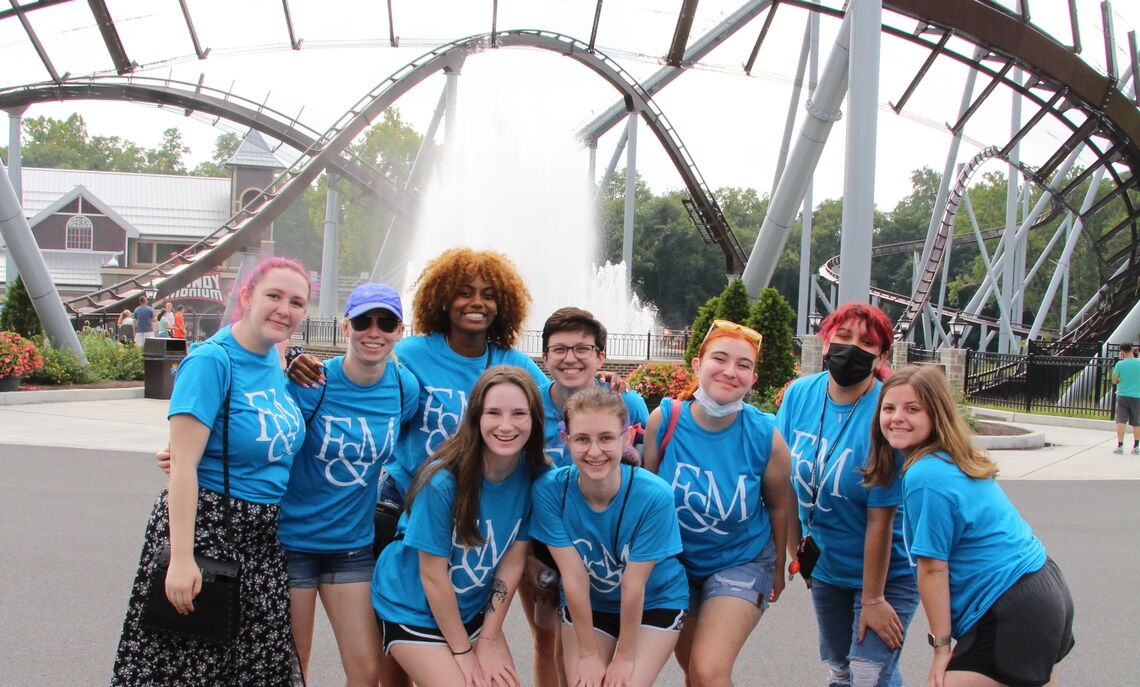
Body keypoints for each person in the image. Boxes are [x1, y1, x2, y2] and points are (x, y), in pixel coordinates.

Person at [111, 257, 311, 686]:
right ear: (245, 297)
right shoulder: (211, 361)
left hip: (263, 543)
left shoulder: (275, 364)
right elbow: (182, 465)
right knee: (189, 669)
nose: (284, 309)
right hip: (210, 533)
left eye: (296, 302)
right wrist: (181, 559)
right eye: (273, 296)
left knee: (253, 670)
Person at [868, 365, 1075, 687]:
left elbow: (933, 568)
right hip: (1043, 588)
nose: (897, 417)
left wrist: (940, 647)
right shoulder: (952, 458)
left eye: (912, 409)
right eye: (889, 408)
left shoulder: (926, 475)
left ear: (936, 414)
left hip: (1009, 606)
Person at [278, 283, 419, 686]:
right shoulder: (313, 382)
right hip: (293, 543)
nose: (374, 331)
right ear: (346, 327)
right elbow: (265, 436)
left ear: (399, 331)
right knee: (293, 664)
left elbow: (413, 435)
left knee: (367, 669)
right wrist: (187, 454)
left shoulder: (402, 387)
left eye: (386, 322)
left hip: (351, 546)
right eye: (363, 321)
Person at [372, 365, 545, 687]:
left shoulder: (531, 475)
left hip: (470, 611)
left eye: (519, 413)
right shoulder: (442, 481)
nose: (506, 425)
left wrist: (489, 641)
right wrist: (464, 652)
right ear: (476, 417)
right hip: (412, 605)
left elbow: (512, 561)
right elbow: (432, 575)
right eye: (493, 413)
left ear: (534, 420)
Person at [642, 319, 793, 687]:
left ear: (754, 378)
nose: (730, 371)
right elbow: (645, 501)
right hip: (677, 562)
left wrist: (777, 567)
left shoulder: (765, 437)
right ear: (697, 365)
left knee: (709, 670)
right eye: (720, 359)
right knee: (693, 668)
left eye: (744, 365)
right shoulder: (664, 421)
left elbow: (778, 504)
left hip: (741, 560)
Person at [775, 303, 917, 687]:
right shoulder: (801, 394)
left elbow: (881, 519)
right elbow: (787, 485)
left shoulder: (887, 411)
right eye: (843, 336)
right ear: (826, 342)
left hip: (888, 573)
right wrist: (798, 559)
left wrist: (873, 599)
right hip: (826, 566)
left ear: (882, 355)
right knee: (841, 669)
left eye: (867, 342)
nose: (852, 347)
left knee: (869, 674)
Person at [523, 307, 651, 686]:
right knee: (547, 638)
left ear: (600, 357)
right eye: (559, 349)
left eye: (583, 348)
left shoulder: (629, 405)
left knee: (589, 647)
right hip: (543, 541)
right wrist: (526, 554)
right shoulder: (530, 409)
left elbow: (644, 476)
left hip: (604, 545)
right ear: (544, 357)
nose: (571, 358)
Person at [531, 387, 687, 687]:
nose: (594, 451)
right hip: (593, 601)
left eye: (606, 438)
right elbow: (574, 576)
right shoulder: (550, 491)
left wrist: (624, 658)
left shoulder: (654, 495)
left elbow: (634, 584)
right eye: (582, 439)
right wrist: (589, 655)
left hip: (655, 599)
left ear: (626, 438)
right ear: (566, 440)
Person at [1112, 342, 1140, 455]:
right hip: (1137, 396)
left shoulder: (1120, 364)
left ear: (1122, 351)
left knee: (1121, 421)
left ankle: (1120, 446)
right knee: (1137, 422)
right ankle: (1136, 447)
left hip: (1123, 395)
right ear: (1132, 350)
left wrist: (1120, 381)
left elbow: (1114, 380)